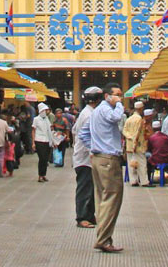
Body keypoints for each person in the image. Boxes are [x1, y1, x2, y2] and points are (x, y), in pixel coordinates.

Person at [80, 82, 125, 253]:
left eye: (121, 95)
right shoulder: (106, 109)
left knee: (103, 199)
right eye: (117, 95)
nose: (120, 98)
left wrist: (93, 147)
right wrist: (119, 104)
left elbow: (84, 133)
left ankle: (104, 237)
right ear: (107, 96)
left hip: (99, 158)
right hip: (108, 158)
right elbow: (116, 118)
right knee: (112, 198)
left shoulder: (96, 112)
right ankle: (104, 239)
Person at [72, 87, 102, 229]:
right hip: (85, 157)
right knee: (84, 187)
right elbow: (86, 136)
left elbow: (74, 131)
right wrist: (92, 151)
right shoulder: (89, 115)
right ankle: (82, 217)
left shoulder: (87, 112)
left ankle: (90, 215)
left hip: (84, 156)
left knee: (90, 187)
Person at [122, 101, 149, 187]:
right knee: (142, 163)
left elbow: (124, 130)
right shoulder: (139, 119)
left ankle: (133, 181)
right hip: (138, 145)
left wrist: (129, 138)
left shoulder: (129, 119)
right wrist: (134, 141)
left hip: (129, 145)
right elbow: (137, 132)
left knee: (131, 163)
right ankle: (144, 181)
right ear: (141, 109)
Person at [31, 103, 53, 182]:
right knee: (42, 158)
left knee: (46, 159)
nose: (46, 112)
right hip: (39, 140)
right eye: (44, 110)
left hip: (47, 140)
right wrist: (33, 142)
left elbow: (49, 129)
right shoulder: (36, 119)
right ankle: (40, 175)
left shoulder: (46, 119)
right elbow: (33, 130)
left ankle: (44, 174)